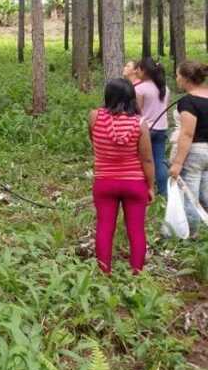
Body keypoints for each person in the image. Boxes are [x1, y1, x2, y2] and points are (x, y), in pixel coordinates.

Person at [89, 78, 155, 274]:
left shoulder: (94, 117)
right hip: (134, 184)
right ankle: (137, 273)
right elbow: (147, 160)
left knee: (104, 227)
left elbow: (94, 142)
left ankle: (104, 271)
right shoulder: (140, 124)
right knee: (136, 230)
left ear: (107, 96)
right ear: (131, 98)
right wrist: (150, 186)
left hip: (104, 182)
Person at [169, 61, 208, 236]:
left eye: (178, 75)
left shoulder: (188, 102)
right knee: (205, 193)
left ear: (186, 79)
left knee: (190, 196)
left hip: (195, 153)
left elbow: (187, 134)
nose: (176, 79)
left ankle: (192, 235)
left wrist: (178, 163)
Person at [134, 57, 170, 195]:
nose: (136, 71)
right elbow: (164, 108)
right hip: (161, 127)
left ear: (143, 71)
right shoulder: (164, 88)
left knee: (142, 160)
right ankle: (164, 193)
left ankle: (144, 189)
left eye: (138, 68)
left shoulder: (139, 89)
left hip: (146, 129)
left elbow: (137, 111)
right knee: (159, 161)